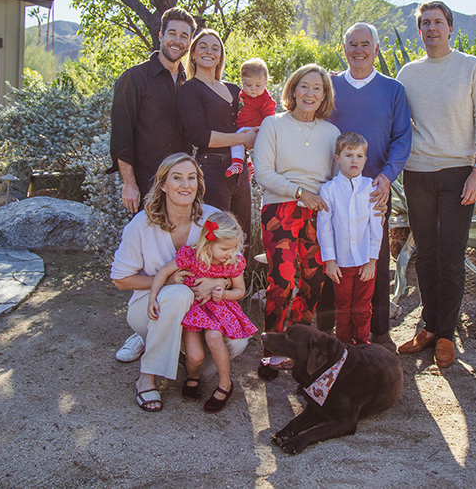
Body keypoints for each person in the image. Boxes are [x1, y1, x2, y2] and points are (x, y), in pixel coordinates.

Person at [395, 1, 476, 369]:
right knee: (426, 254)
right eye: (425, 23)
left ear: (450, 28)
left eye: (438, 22)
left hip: (459, 174)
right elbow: (397, 122)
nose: (431, 28)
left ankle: (447, 336)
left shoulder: (471, 67)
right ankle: (430, 327)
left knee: (452, 256)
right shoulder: (408, 73)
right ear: (418, 30)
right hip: (417, 173)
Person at [110, 153, 248, 412]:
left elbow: (234, 264)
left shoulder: (212, 217)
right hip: (150, 308)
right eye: (177, 178)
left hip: (202, 311)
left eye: (191, 177)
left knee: (236, 344)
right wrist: (166, 282)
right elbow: (120, 280)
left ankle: (181, 357)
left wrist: (216, 280)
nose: (186, 184)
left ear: (199, 183)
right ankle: (147, 376)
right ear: (163, 184)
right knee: (178, 294)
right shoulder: (141, 225)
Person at [322, 22, 412, 350]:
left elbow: (403, 136)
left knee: (374, 260)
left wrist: (387, 177)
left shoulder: (392, 90)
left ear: (376, 49)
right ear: (343, 49)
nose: (358, 50)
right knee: (331, 258)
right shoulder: (330, 86)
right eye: (352, 44)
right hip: (332, 189)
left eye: (365, 44)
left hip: (373, 190)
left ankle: (379, 331)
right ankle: (330, 332)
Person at [253, 63, 340, 379]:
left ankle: (301, 347)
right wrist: (299, 192)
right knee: (284, 280)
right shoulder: (272, 125)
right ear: (293, 89)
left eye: (317, 88)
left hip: (317, 213)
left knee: (314, 281)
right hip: (280, 209)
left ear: (324, 95)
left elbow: (335, 177)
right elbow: (263, 173)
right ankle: (271, 350)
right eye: (304, 86)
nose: (310, 93)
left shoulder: (331, 133)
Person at [148, 210, 257, 413]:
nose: (231, 253)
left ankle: (225, 385)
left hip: (219, 311)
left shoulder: (232, 263)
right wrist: (152, 298)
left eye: (234, 248)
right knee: (195, 356)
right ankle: (193, 376)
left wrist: (223, 294)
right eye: (225, 248)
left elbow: (239, 291)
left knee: (214, 337)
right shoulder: (191, 256)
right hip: (193, 312)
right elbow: (163, 272)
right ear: (209, 243)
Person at [109, 7, 196, 215]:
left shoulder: (191, 85)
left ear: (190, 43)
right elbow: (122, 137)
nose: (177, 40)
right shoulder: (134, 78)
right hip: (147, 186)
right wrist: (129, 184)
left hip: (183, 189)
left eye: (184, 36)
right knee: (147, 246)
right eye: (172, 33)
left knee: (182, 247)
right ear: (161, 35)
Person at [176, 29, 255, 236]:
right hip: (211, 170)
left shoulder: (233, 89)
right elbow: (199, 136)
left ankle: (242, 271)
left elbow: (256, 109)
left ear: (221, 55)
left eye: (215, 48)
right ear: (192, 54)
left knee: (242, 234)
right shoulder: (190, 89)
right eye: (202, 47)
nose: (209, 52)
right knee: (218, 235)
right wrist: (243, 138)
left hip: (241, 170)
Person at [316, 132, 384, 346]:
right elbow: (324, 228)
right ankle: (344, 347)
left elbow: (376, 227)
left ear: (365, 159)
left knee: (363, 307)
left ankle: (363, 346)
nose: (354, 160)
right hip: (341, 263)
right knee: (343, 307)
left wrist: (372, 260)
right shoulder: (328, 190)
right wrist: (329, 261)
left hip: (365, 262)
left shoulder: (371, 188)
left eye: (359, 156)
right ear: (337, 158)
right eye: (348, 155)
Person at [226, 57, 277, 177]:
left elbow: (269, 118)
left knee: (236, 139)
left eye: (258, 85)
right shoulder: (242, 93)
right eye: (248, 85)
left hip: (254, 128)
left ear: (266, 82)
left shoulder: (264, 100)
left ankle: (237, 163)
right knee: (238, 142)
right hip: (243, 125)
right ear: (242, 81)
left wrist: (260, 130)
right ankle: (248, 165)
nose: (253, 89)